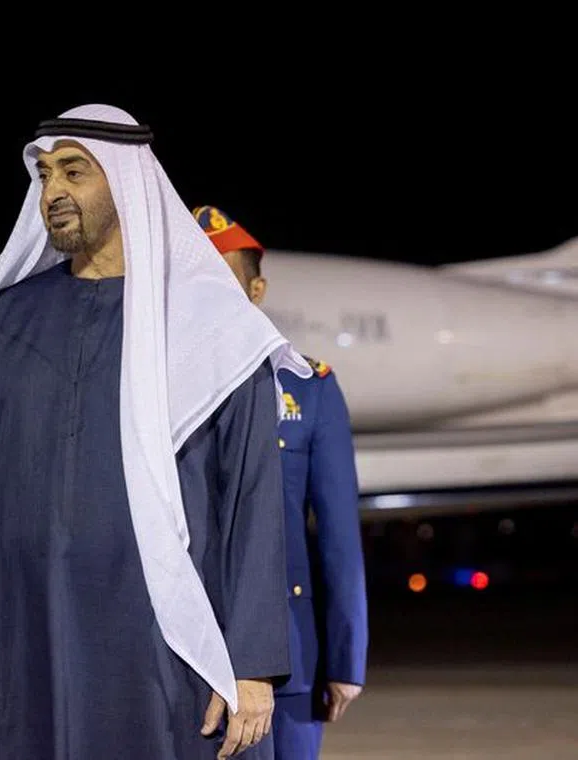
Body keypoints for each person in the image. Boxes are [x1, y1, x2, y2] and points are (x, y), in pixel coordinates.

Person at [0, 104, 310, 760]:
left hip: (164, 650)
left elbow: (252, 505)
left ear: (128, 182)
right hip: (27, 642)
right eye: (44, 176)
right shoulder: (1, 325)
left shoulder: (211, 327)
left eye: (74, 171)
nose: (52, 191)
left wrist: (252, 664)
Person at [195, 205, 368, 759]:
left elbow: (338, 534)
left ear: (257, 290)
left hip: (289, 656)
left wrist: (345, 658)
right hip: (184, 649)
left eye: (223, 281)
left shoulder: (307, 385)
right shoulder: (151, 386)